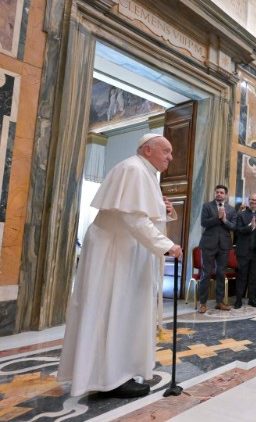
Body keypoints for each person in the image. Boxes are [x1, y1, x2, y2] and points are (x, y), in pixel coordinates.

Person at [58, 133, 182, 398]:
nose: (171, 157)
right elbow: (134, 220)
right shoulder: (133, 169)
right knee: (111, 311)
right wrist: (167, 245)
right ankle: (110, 378)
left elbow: (143, 214)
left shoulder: (144, 172)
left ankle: (118, 372)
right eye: (166, 151)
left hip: (126, 252)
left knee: (123, 312)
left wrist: (165, 210)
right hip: (114, 254)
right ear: (148, 150)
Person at [197, 185, 236, 313]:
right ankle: (202, 303)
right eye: (217, 192)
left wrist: (224, 220)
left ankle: (219, 302)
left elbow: (233, 227)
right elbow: (204, 223)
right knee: (206, 273)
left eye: (221, 192)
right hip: (208, 244)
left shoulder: (231, 209)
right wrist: (217, 217)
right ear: (215, 194)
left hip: (224, 245)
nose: (219, 194)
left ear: (225, 195)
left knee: (221, 273)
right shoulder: (207, 206)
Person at [234, 193, 256, 308]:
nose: (254, 202)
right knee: (241, 276)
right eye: (252, 200)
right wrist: (251, 226)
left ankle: (251, 298)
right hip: (244, 251)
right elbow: (238, 231)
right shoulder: (241, 214)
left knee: (254, 277)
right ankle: (238, 299)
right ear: (249, 201)